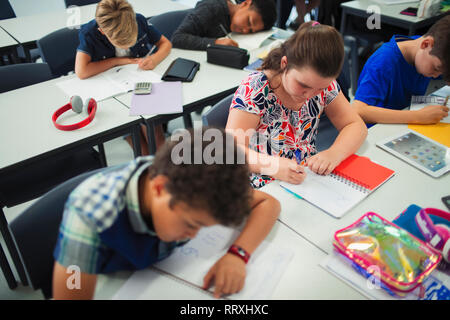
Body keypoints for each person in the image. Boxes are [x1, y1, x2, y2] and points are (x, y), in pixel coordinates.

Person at [52, 127, 280, 299]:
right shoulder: (90, 214)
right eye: (192, 223)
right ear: (160, 187)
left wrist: (237, 255)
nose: (193, 236)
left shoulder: (194, 182)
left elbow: (268, 204)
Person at [225, 21, 367, 189]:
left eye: (320, 88)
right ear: (285, 64)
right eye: (303, 85)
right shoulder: (256, 88)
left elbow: (355, 125)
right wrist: (272, 165)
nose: (309, 95)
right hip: (261, 185)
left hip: (304, 180)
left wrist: (334, 153)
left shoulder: (323, 85)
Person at [75, 0, 172, 152]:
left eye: (130, 41)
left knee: (157, 139)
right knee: (141, 147)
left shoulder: (138, 19)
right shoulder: (89, 33)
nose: (127, 47)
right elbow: (81, 71)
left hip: (140, 83)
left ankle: (160, 164)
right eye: (122, 43)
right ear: (102, 31)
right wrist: (117, 61)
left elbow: (165, 43)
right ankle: (140, 153)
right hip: (113, 91)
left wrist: (154, 59)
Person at [352, 15, 450, 125]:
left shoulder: (427, 51)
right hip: (376, 131)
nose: (437, 75)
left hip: (404, 121)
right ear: (426, 44)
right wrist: (418, 116)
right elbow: (359, 110)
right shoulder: (384, 61)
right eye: (436, 68)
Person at [171, 0, 277, 51]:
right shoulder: (211, 9)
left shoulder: (234, 16)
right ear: (245, 3)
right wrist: (216, 42)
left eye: (250, 31)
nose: (245, 30)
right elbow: (177, 38)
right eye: (249, 22)